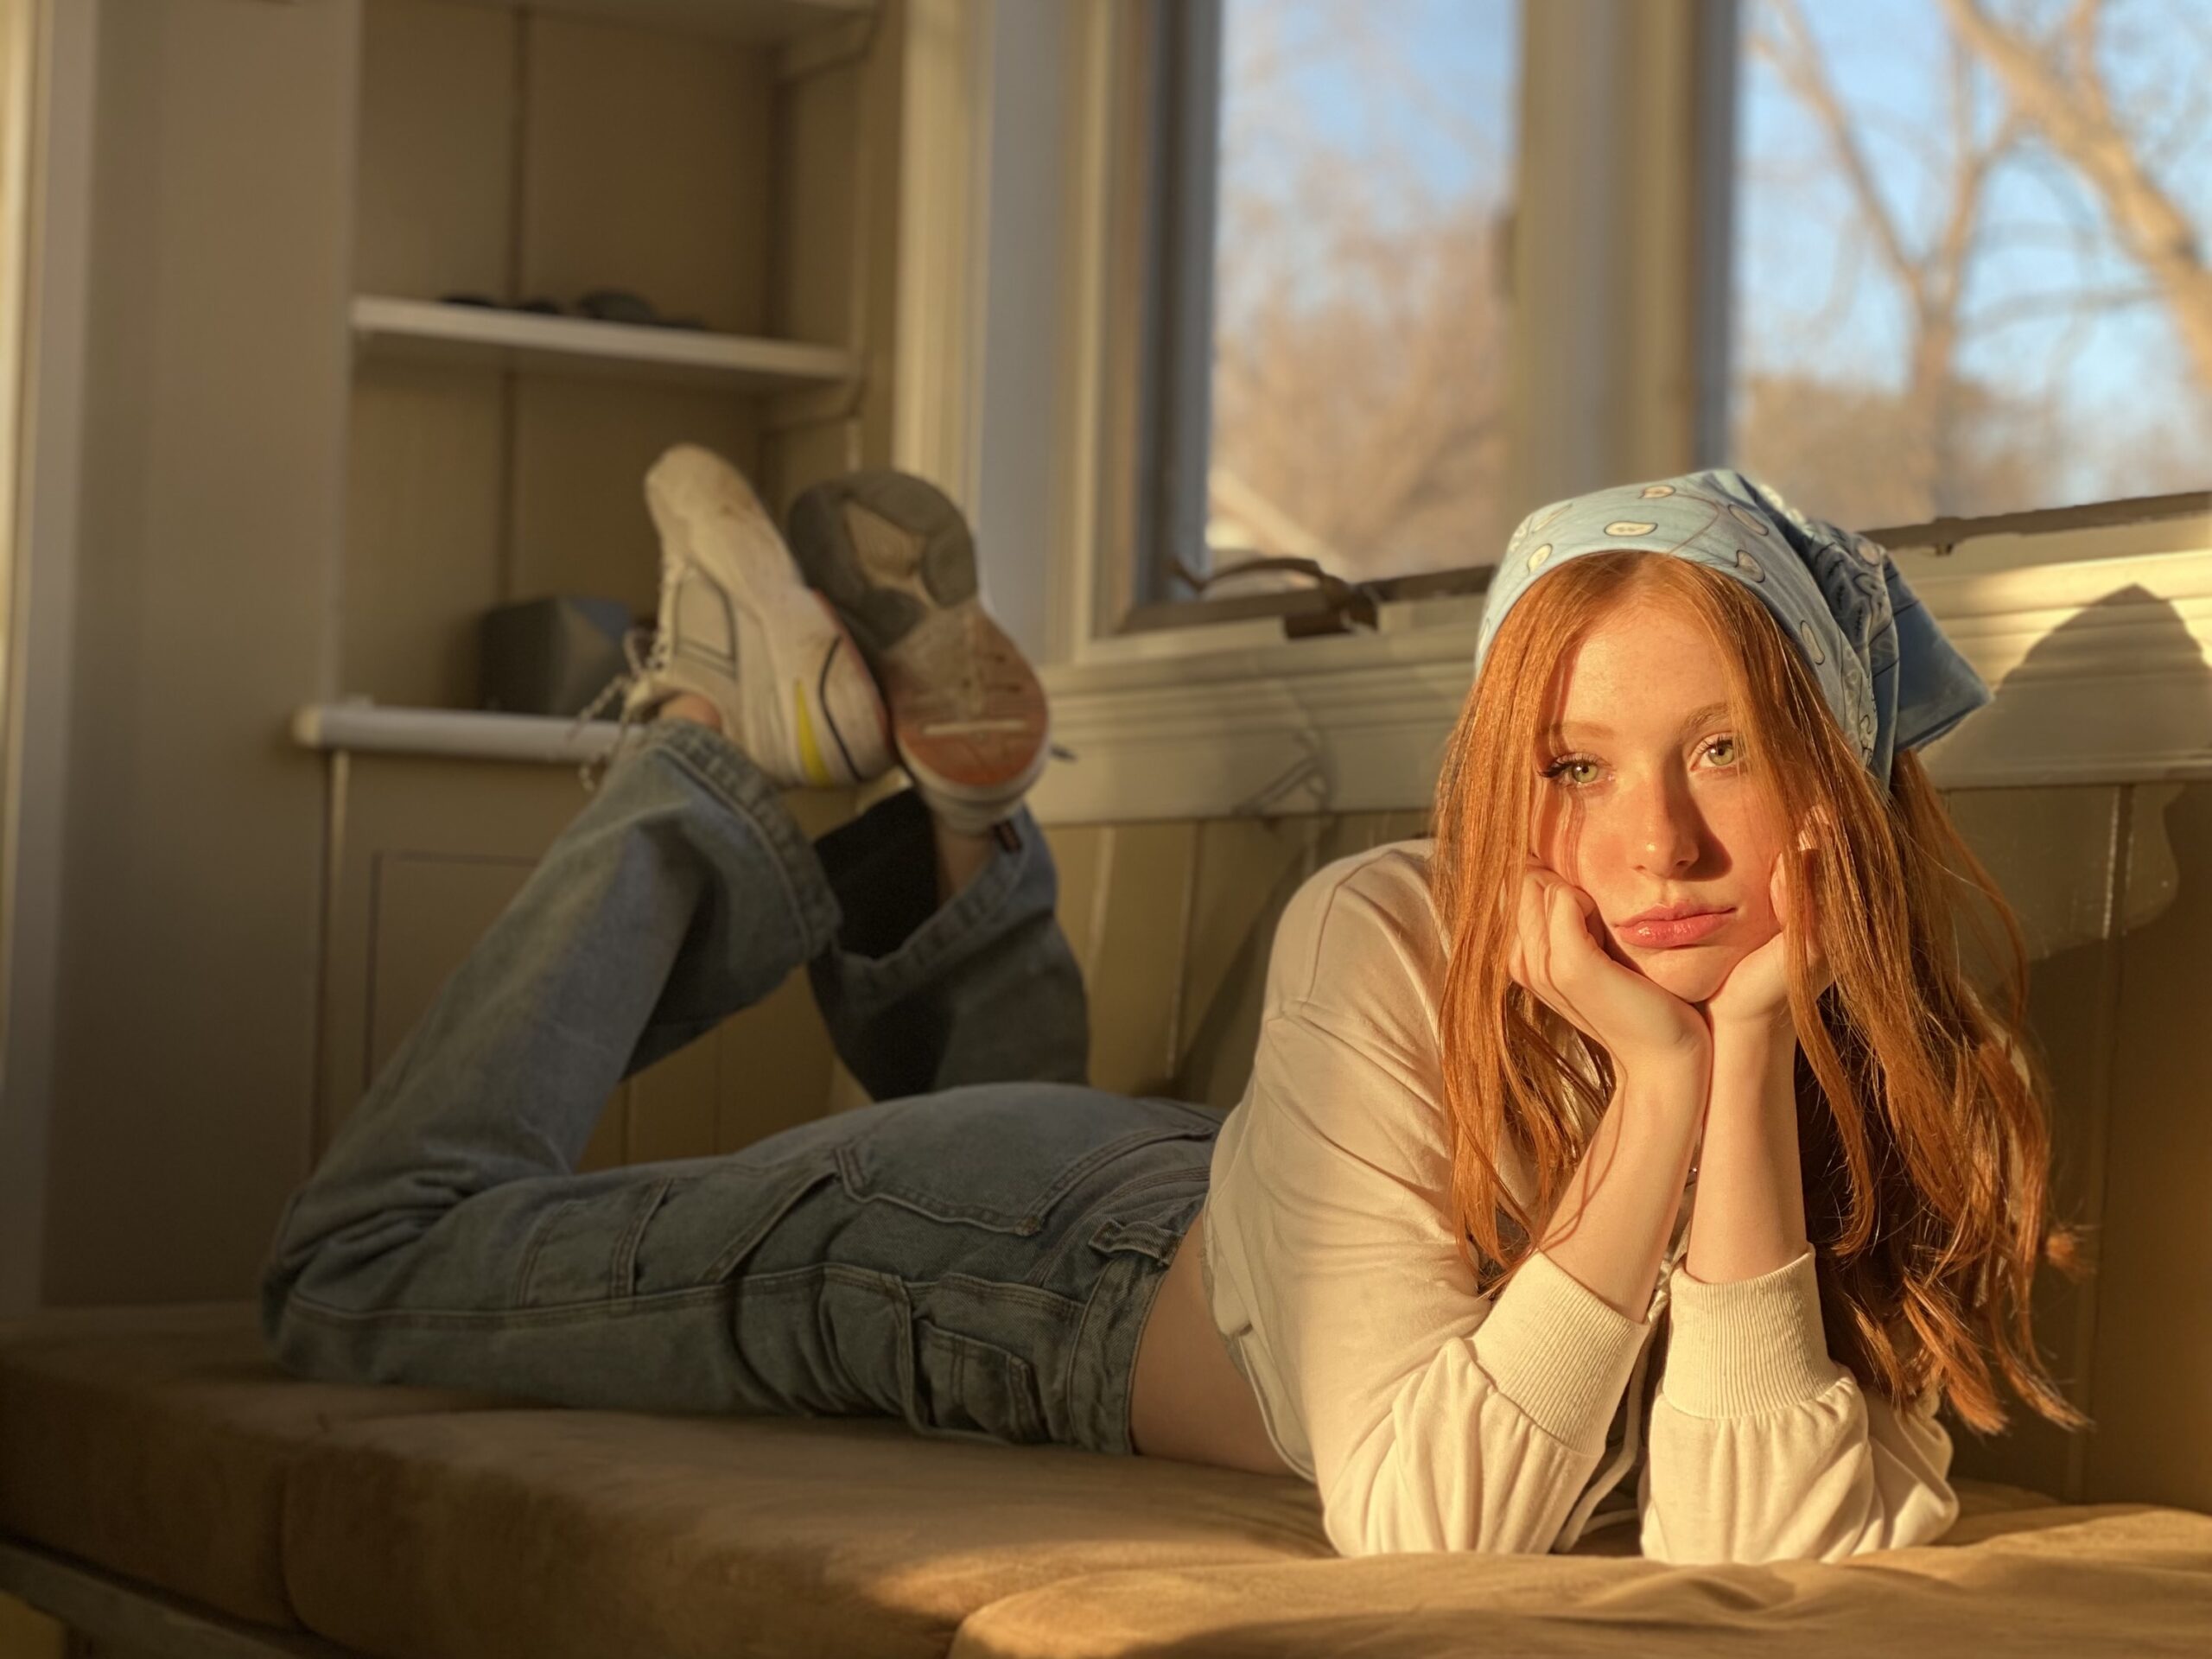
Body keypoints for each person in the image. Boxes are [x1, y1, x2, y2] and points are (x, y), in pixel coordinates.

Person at [259, 454, 2088, 1567]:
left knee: (1035, 1125)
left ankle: (955, 835)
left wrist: (1747, 1053)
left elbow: (1751, 1545)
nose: (1657, 840)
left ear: (1837, 776)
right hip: (1011, 1264)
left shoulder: (1907, 1055)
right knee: (356, 1269)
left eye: (1724, 751)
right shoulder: (1380, 927)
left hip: (1235, 1207)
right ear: (1496, 786)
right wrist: (1665, 1090)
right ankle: (705, 776)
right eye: (1574, 764)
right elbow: (1429, 1524)